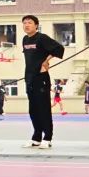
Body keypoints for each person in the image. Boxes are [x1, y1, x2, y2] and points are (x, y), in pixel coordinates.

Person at [21, 15, 65, 149]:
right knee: (33, 110)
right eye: (24, 23)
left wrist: (46, 61)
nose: (26, 25)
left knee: (43, 108)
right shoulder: (25, 39)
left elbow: (59, 48)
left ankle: (47, 138)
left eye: (29, 23)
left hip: (41, 78)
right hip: (29, 78)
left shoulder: (42, 38)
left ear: (36, 25)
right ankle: (36, 137)